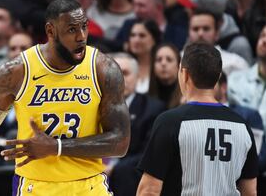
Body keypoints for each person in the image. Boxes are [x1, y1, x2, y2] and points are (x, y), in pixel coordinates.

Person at [0, 0, 130, 196]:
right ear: (50, 31)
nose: (81, 36)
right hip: (34, 188)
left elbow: (120, 142)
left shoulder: (103, 68)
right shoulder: (15, 72)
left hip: (90, 186)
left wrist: (56, 147)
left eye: (84, 26)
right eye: (71, 29)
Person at [137, 42, 258, 196]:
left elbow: (149, 190)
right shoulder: (243, 126)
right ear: (218, 77)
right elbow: (250, 192)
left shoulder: (169, 122)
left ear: (185, 74)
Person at [107, 52, 165, 196]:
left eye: (125, 73)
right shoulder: (93, 107)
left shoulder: (153, 109)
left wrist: (113, 169)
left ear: (138, 77)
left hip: (127, 180)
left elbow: (149, 154)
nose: (119, 78)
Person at [228, 24, 266, 140]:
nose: (264, 41)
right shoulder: (235, 79)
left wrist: (263, 149)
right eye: (262, 36)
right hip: (236, 144)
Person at [187, 8, 249, 75]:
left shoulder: (235, 63)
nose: (200, 33)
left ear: (217, 33)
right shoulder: (178, 61)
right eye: (195, 29)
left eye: (206, 29)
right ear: (188, 33)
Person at [149, 43, 182, 108]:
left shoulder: (186, 99)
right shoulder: (145, 100)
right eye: (159, 60)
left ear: (179, 65)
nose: (163, 63)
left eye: (169, 60)